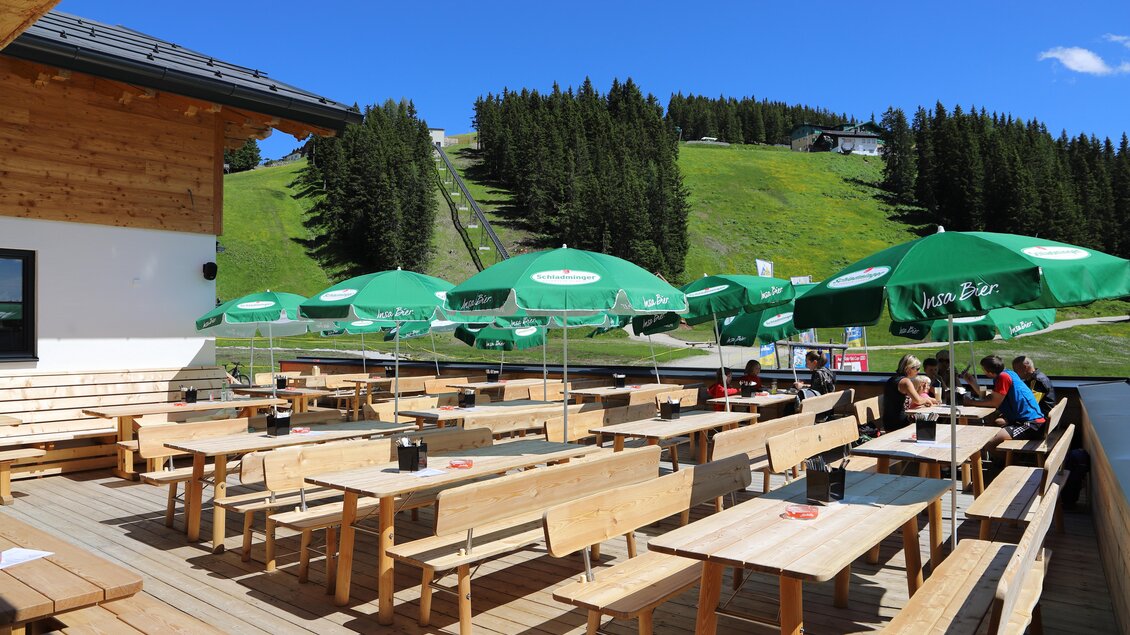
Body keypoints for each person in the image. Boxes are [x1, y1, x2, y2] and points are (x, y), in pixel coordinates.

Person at [963, 355, 1046, 448]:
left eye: (983, 370)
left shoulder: (1003, 377)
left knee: (988, 441)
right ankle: (998, 460)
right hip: (1025, 421)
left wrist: (971, 402)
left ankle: (1001, 462)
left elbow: (994, 402)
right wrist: (973, 383)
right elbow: (992, 396)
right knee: (994, 424)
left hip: (1032, 425)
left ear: (989, 372)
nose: (983, 372)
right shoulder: (1007, 373)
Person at [882, 354, 938, 431]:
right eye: (917, 369)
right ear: (908, 369)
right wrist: (928, 400)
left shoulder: (893, 379)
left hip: (889, 421)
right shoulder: (905, 382)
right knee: (927, 429)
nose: (918, 371)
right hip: (898, 423)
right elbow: (917, 400)